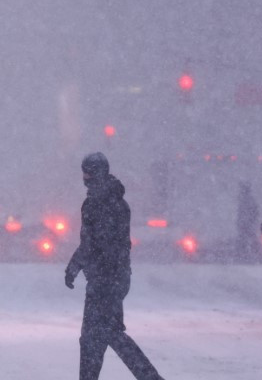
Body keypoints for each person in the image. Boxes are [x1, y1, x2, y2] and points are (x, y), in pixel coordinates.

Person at [65, 152, 164, 380]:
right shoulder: (115, 201)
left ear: (96, 173)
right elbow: (101, 244)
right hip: (114, 277)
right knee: (100, 336)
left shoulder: (98, 203)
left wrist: (76, 266)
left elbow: (92, 243)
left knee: (102, 336)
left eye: (87, 172)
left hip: (104, 280)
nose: (84, 178)